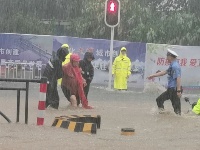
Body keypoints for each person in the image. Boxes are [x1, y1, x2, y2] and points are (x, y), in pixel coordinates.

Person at [147, 49, 182, 115]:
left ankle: (179, 122)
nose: (166, 58)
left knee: (177, 112)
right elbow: (164, 72)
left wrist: (178, 91)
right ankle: (163, 115)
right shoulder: (172, 65)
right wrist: (153, 75)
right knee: (159, 100)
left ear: (170, 56)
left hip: (174, 90)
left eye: (167, 56)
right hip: (170, 90)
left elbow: (178, 78)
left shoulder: (175, 66)